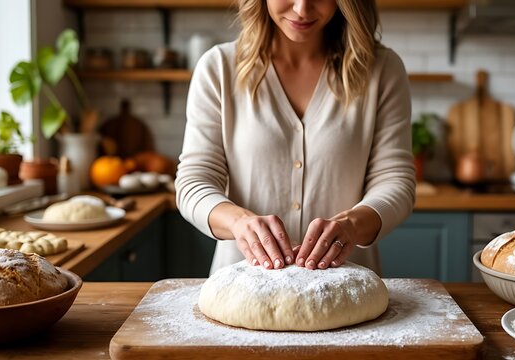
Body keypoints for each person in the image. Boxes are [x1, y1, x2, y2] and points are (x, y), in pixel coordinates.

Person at [175, 0, 415, 276]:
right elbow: (194, 180)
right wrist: (238, 223)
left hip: (347, 281)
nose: (302, 9)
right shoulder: (218, 68)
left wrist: (352, 224)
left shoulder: (382, 70)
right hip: (243, 281)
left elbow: (395, 180)